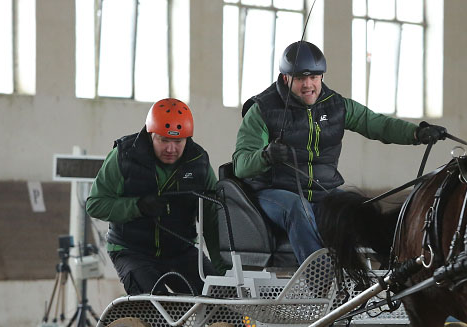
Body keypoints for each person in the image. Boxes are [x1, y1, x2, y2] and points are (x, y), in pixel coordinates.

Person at [233, 41, 448, 264]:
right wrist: (267, 156)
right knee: (299, 208)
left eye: (314, 77)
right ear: (286, 78)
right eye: (300, 79)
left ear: (322, 77)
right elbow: (241, 165)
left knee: (360, 208)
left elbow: (377, 124)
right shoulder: (262, 110)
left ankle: (386, 271)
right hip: (273, 192)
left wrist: (416, 133)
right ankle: (318, 276)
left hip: (323, 191)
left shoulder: (336, 106)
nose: (308, 85)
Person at [87, 98, 226, 295]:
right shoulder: (124, 156)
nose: (171, 149)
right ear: (151, 134)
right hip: (132, 251)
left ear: (187, 138)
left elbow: (212, 219)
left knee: (220, 298)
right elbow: (95, 204)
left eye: (178, 141)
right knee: (157, 307)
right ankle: (138, 325)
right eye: (163, 140)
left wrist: (223, 273)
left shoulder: (199, 163)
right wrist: (137, 206)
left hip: (181, 251)